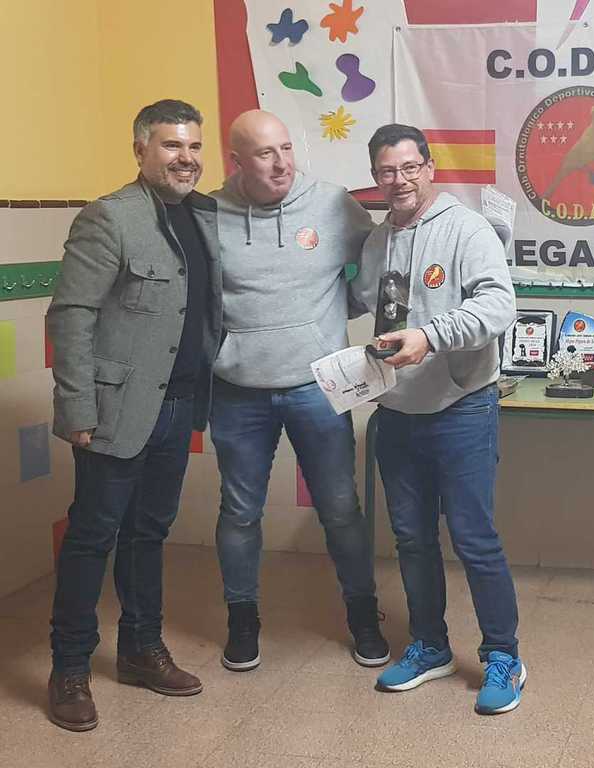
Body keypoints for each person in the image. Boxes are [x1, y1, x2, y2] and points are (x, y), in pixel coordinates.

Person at [46, 100, 222, 731]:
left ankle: (141, 650)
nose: (186, 158)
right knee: (93, 537)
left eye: (194, 146)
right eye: (172, 146)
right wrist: (77, 408)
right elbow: (71, 317)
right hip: (114, 412)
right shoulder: (109, 217)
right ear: (141, 150)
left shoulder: (204, 215)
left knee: (149, 534)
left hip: (178, 407)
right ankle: (69, 668)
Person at [350, 123, 525, 715]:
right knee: (412, 539)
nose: (398, 180)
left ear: (429, 168)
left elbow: (499, 304)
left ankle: (503, 655)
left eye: (409, 167)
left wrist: (431, 335)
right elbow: (366, 307)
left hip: (462, 407)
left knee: (474, 539)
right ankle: (430, 646)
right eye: (386, 171)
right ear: (375, 179)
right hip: (396, 412)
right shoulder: (376, 242)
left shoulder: (466, 229)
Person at [208, 109, 388, 671]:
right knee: (240, 512)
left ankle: (363, 616)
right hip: (237, 390)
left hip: (318, 386)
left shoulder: (332, 203)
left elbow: (378, 260)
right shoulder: (208, 213)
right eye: (265, 153)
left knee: (340, 509)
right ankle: (242, 621)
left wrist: (339, 312)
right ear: (236, 161)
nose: (281, 163)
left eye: (286, 148)